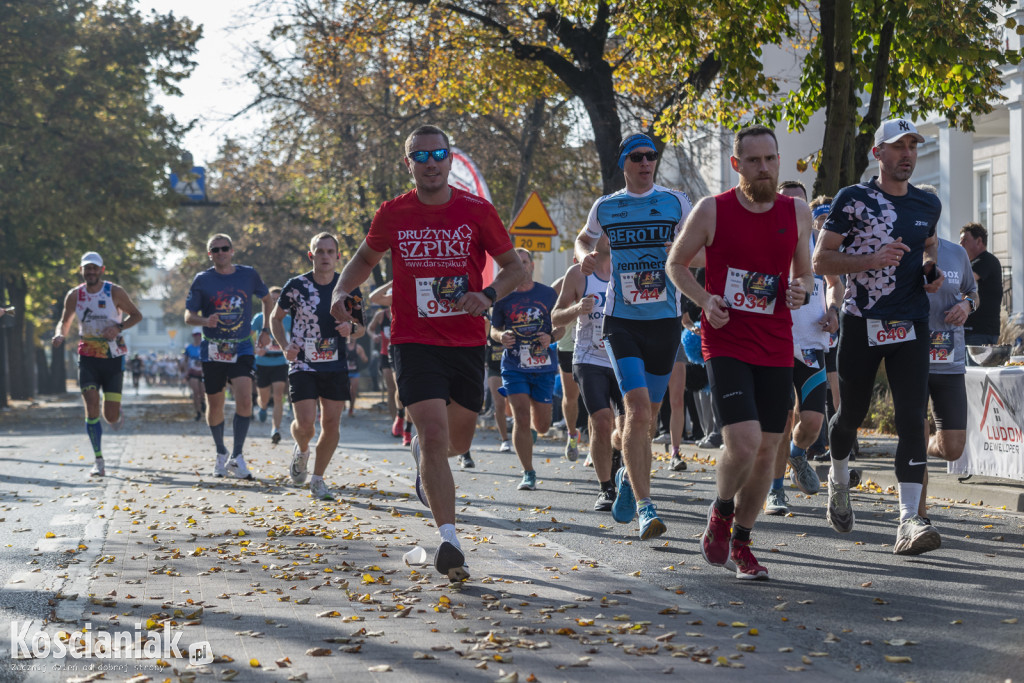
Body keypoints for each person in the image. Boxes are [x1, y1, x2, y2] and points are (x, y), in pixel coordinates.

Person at [329, 124, 526, 582]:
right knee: (435, 436)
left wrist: (490, 294)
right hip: (414, 342)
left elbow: (514, 267)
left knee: (456, 442)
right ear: (409, 164)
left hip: (466, 341)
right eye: (421, 155)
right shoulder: (393, 212)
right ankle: (450, 540)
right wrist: (342, 288)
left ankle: (423, 458)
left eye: (438, 153)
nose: (431, 161)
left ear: (450, 159)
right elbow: (364, 258)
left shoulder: (477, 210)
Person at [667, 125, 813, 579]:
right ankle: (721, 509)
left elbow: (805, 274)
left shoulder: (798, 211)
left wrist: (800, 291)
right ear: (737, 165)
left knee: (769, 452)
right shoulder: (713, 210)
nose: (765, 168)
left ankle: (742, 543)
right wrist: (705, 299)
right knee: (745, 442)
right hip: (726, 339)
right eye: (754, 161)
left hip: (775, 342)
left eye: (771, 159)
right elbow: (676, 263)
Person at [812, 118, 945, 555]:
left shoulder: (928, 203)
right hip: (862, 320)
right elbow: (820, 260)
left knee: (912, 416)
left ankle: (910, 519)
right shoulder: (854, 199)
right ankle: (838, 476)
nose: (907, 153)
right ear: (878, 154)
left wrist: (929, 272)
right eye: (898, 146)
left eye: (912, 145)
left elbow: (928, 246)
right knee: (851, 412)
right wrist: (870, 260)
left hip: (910, 321)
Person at [574, 133, 693, 540]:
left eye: (651, 157)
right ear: (624, 163)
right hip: (620, 319)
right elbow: (584, 238)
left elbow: (699, 245)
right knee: (637, 411)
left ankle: (628, 473)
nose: (646, 163)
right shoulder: (606, 206)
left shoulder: (676, 202)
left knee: (648, 421)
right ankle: (646, 507)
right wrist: (583, 256)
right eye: (637, 157)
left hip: (665, 321)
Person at [763, 182, 841, 515]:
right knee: (781, 419)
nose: (796, 208)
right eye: (789, 202)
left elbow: (835, 284)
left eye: (801, 203)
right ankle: (776, 491)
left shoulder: (818, 245)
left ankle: (797, 453)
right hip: (775, 342)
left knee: (811, 421)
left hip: (811, 342)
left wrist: (834, 310)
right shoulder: (765, 240)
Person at [272, 232, 364, 501]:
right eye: (319, 251)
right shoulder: (296, 286)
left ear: (337, 256)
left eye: (329, 251)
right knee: (306, 424)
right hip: (303, 363)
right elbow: (275, 318)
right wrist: (284, 345)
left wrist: (351, 328)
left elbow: (360, 329)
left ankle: (318, 479)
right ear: (311, 255)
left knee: (332, 423)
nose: (325, 256)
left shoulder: (348, 288)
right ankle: (302, 450)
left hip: (335, 364)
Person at [184, 233, 274, 480]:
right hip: (213, 348)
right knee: (215, 405)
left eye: (225, 248)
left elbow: (267, 300)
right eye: (215, 250)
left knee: (245, 399)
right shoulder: (202, 280)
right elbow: (188, 316)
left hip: (242, 347)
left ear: (232, 251)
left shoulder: (248, 274)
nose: (220, 253)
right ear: (209, 254)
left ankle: (237, 456)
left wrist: (265, 330)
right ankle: (221, 453)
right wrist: (205, 320)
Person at [52, 252, 143, 477]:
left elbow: (137, 315)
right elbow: (64, 322)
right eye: (87, 268)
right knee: (91, 403)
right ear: (81, 271)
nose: (90, 271)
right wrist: (59, 335)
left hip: (113, 356)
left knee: (109, 416)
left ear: (102, 270)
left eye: (94, 268)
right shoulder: (75, 295)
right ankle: (99, 460)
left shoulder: (114, 291)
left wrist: (118, 327)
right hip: (88, 356)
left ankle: (115, 411)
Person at [552, 253, 626, 511]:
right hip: (588, 358)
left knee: (627, 426)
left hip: (624, 356)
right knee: (601, 420)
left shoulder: (629, 264)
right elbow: (556, 316)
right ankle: (605, 488)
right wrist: (577, 308)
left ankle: (616, 461)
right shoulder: (578, 274)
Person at [490, 249, 560, 489]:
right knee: (520, 414)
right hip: (514, 364)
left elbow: (560, 326)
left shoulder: (548, 294)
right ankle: (528, 472)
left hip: (543, 365)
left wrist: (550, 337)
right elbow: (494, 330)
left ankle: (531, 433)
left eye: (524, 262)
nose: (521, 267)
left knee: (542, 426)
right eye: (515, 263)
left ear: (530, 265)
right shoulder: (503, 297)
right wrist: (502, 336)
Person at [919, 236, 978, 517]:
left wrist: (967, 306)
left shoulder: (957, 253)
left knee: (953, 448)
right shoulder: (899, 250)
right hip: (910, 358)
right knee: (915, 437)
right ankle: (916, 516)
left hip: (948, 358)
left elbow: (972, 293)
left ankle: (923, 443)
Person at [551, 274, 583, 461]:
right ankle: (572, 435)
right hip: (568, 346)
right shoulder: (565, 281)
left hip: (595, 345)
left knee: (598, 399)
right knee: (571, 397)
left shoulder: (604, 275)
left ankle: (599, 444)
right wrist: (554, 325)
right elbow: (548, 306)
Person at [252, 287, 290, 444]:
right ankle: (262, 407)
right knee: (264, 397)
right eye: (272, 299)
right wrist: (255, 349)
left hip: (280, 362)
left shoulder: (288, 319)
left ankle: (275, 429)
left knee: (279, 395)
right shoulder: (259, 318)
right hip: (262, 363)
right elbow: (247, 336)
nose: (275, 302)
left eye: (278, 299)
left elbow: (296, 337)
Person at [959, 222, 1003, 349]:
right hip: (974, 331)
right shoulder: (972, 263)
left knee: (975, 369)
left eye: (964, 240)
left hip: (980, 332)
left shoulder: (986, 260)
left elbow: (963, 281)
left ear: (979, 241)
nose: (960, 244)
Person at [182, 329, 205, 420]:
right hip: (192, 372)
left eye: (199, 334)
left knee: (203, 393)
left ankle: (203, 403)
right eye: (195, 335)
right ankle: (198, 412)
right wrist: (185, 371)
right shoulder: (189, 348)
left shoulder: (204, 346)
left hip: (203, 372)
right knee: (196, 393)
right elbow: (185, 360)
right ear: (193, 336)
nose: (197, 336)